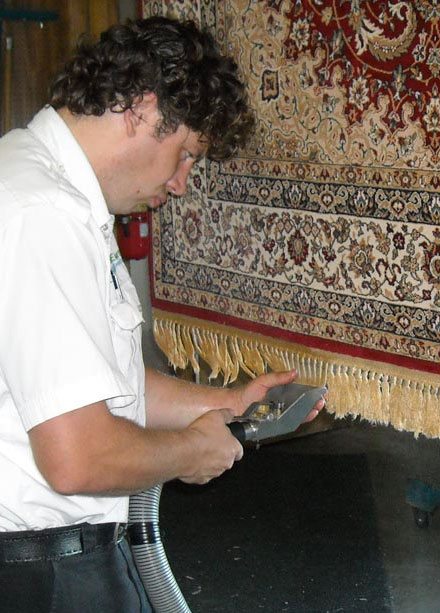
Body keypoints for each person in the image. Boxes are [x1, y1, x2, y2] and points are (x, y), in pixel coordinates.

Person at [0, 16, 324, 613]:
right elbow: (79, 455)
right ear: (142, 110)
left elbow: (97, 388)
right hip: (47, 576)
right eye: (185, 155)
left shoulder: (37, 184)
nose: (179, 184)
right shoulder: (43, 213)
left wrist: (223, 406)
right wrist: (189, 453)